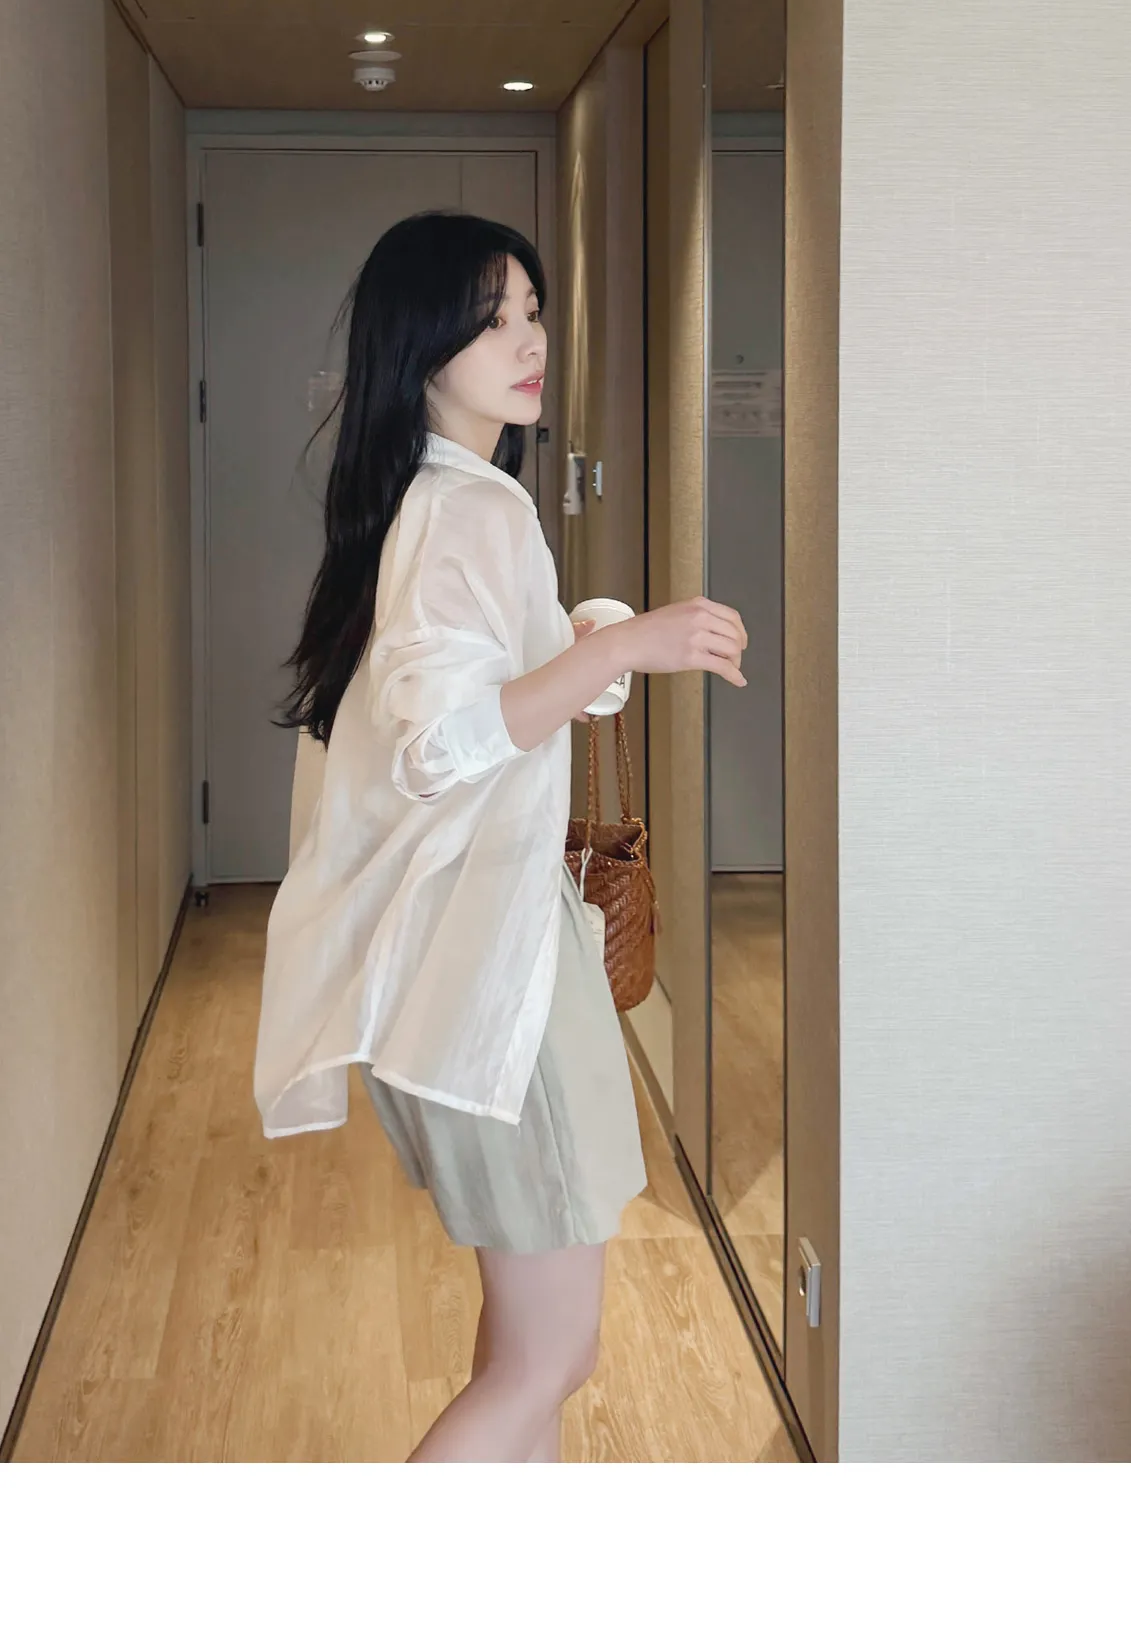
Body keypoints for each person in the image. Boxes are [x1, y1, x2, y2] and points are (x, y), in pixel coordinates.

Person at [253, 210, 748, 1462]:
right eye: (492, 320)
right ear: (422, 345)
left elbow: (473, 704)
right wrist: (627, 643)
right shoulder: (466, 510)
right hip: (496, 975)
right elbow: (439, 748)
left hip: (479, 958)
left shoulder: (435, 501)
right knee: (547, 1357)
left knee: (530, 1349)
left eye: (531, 311)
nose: (529, 341)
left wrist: (574, 642)